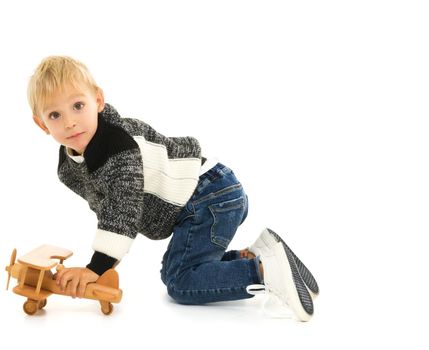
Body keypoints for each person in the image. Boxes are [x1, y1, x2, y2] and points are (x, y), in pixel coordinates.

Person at [27, 56, 319, 321]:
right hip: (202, 199)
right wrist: (104, 265)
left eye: (78, 106)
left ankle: (267, 271)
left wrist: (96, 268)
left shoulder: (116, 149)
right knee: (176, 270)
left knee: (180, 281)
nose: (70, 122)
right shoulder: (70, 166)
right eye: (55, 115)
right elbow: (111, 210)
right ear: (42, 124)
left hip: (210, 197)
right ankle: (257, 256)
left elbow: (122, 210)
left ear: (98, 100)